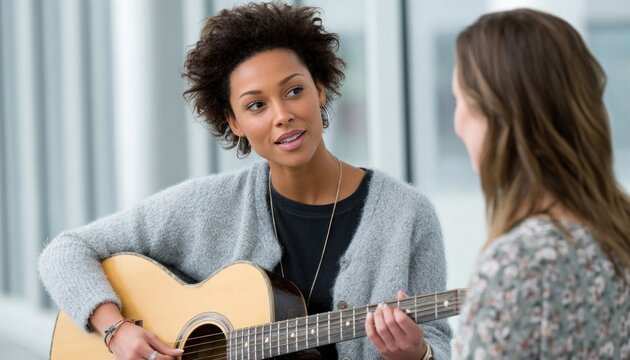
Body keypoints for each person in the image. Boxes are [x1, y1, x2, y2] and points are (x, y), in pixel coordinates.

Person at [38, 2, 451, 359]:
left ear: (320, 89)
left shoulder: (406, 216)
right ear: (234, 122)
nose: (281, 115)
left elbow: (436, 344)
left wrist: (416, 354)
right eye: (256, 105)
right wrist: (116, 331)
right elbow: (65, 252)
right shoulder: (205, 206)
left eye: (293, 91)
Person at [450, 8, 630, 359]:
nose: (457, 124)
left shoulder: (516, 265)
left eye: (461, 100)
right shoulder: (619, 234)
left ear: (500, 115)